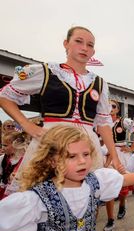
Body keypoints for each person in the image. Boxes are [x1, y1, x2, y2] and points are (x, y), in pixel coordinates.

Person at [0, 125, 134, 231]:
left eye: (86, 154)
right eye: (71, 156)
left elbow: (123, 179)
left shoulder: (95, 181)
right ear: (51, 160)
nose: (82, 161)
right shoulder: (36, 198)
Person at [0, 26, 123, 192]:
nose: (84, 48)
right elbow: (5, 96)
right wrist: (27, 125)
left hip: (87, 145)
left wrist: (114, 156)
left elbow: (103, 123)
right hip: (52, 140)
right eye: (78, 41)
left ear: (93, 51)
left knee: (85, 196)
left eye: (90, 45)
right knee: (45, 194)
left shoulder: (100, 83)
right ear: (66, 44)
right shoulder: (46, 71)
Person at [102, 99, 134, 231]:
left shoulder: (124, 122)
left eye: (113, 106)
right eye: (107, 105)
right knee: (108, 186)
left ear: (117, 109)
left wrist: (131, 148)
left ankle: (122, 204)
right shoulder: (101, 122)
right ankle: (110, 219)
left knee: (122, 184)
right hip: (106, 154)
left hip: (121, 154)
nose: (110, 108)